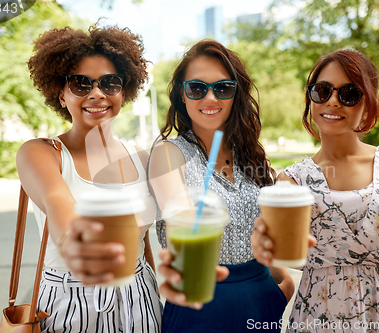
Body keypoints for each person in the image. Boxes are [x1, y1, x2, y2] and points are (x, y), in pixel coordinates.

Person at [251, 49, 379, 332]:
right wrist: (263, 244)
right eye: (322, 91)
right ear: (310, 98)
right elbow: (278, 256)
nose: (332, 102)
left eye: (348, 93)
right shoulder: (292, 182)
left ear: (369, 103)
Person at [17, 25, 161, 332]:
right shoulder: (42, 153)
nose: (97, 92)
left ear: (124, 90)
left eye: (110, 83)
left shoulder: (142, 158)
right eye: (81, 83)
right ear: (61, 92)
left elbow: (143, 241)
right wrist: (76, 243)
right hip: (69, 300)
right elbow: (58, 202)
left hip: (141, 295)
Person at [147, 39, 298, 333]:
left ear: (235, 94)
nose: (211, 98)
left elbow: (268, 231)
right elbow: (181, 232)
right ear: (182, 94)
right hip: (199, 302)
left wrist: (284, 283)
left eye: (223, 88)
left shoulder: (253, 155)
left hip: (261, 299)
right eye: (197, 88)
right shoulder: (169, 154)